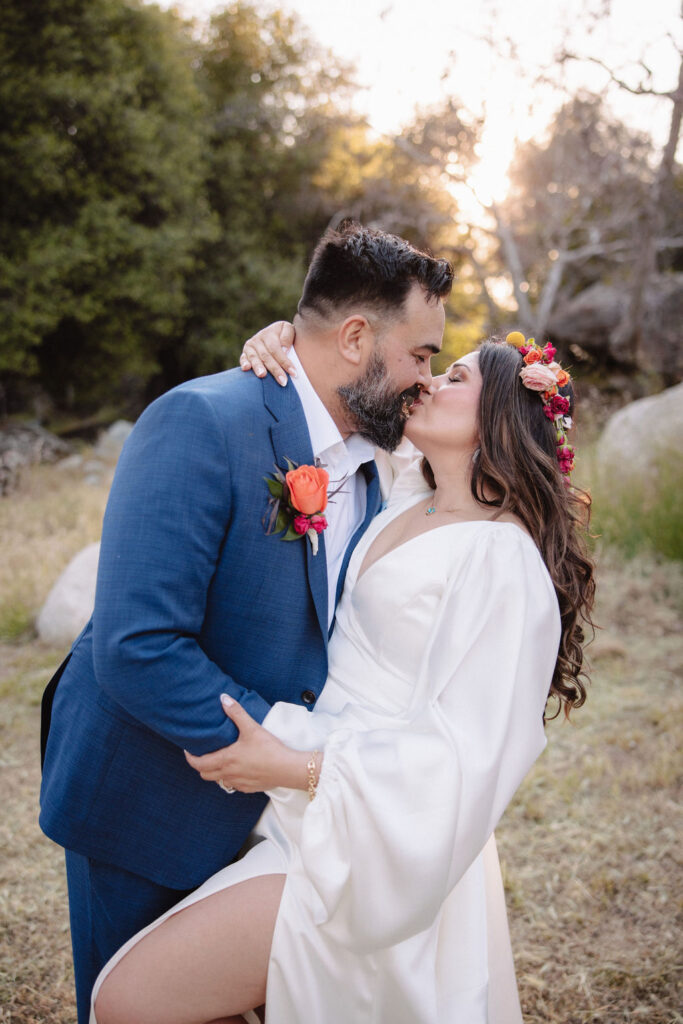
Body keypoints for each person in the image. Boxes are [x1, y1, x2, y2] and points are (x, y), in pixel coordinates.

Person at [91, 333, 595, 1024]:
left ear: (501, 416)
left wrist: (299, 768)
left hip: (373, 842)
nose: (426, 382)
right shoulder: (402, 489)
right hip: (300, 800)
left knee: (127, 1000)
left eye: (453, 377)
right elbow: (335, 386)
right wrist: (284, 339)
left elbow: (466, 757)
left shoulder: (501, 561)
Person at [39, 221, 453, 1023]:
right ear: (356, 337)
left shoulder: (382, 462)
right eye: (420, 355)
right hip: (144, 796)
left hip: (270, 811)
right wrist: (287, 745)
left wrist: (294, 774)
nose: (426, 380)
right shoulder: (202, 420)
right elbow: (137, 648)